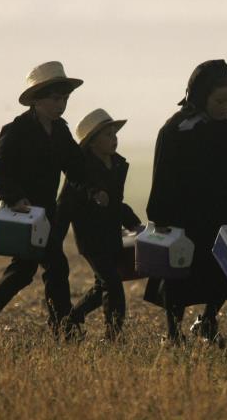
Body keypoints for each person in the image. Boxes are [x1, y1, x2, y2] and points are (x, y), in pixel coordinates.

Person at [0, 61, 88, 339]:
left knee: (26, 271)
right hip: (24, 215)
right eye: (56, 99)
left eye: (65, 99)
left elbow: (76, 168)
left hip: (46, 216)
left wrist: (98, 182)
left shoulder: (61, 131)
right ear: (38, 100)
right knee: (48, 267)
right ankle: (63, 329)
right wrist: (15, 198)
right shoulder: (16, 130)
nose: (61, 104)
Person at [143, 59, 227, 344]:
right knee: (177, 275)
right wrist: (160, 216)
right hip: (184, 217)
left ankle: (209, 320)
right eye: (219, 100)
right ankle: (173, 333)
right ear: (201, 96)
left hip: (221, 214)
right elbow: (162, 175)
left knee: (223, 272)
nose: (225, 106)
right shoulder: (177, 129)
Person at [59, 109, 142, 341]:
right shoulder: (81, 168)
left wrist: (134, 223)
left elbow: (117, 202)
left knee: (101, 287)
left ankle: (71, 320)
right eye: (107, 135)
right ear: (93, 142)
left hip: (111, 234)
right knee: (112, 283)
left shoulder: (117, 165)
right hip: (90, 237)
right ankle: (113, 336)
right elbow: (66, 203)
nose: (114, 138)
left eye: (114, 133)